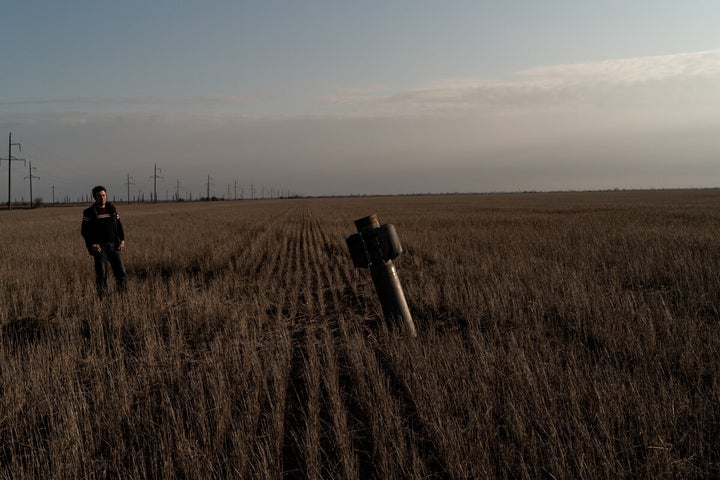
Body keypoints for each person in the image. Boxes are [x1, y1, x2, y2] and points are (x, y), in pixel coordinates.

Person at [81, 186, 127, 299]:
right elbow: (84, 231)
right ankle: (103, 298)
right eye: (99, 196)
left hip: (114, 245)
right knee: (102, 274)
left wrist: (122, 240)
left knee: (121, 272)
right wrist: (92, 244)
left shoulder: (112, 209)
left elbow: (119, 225)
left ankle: (123, 296)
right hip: (99, 248)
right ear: (94, 197)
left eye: (104, 195)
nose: (102, 198)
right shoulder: (89, 212)